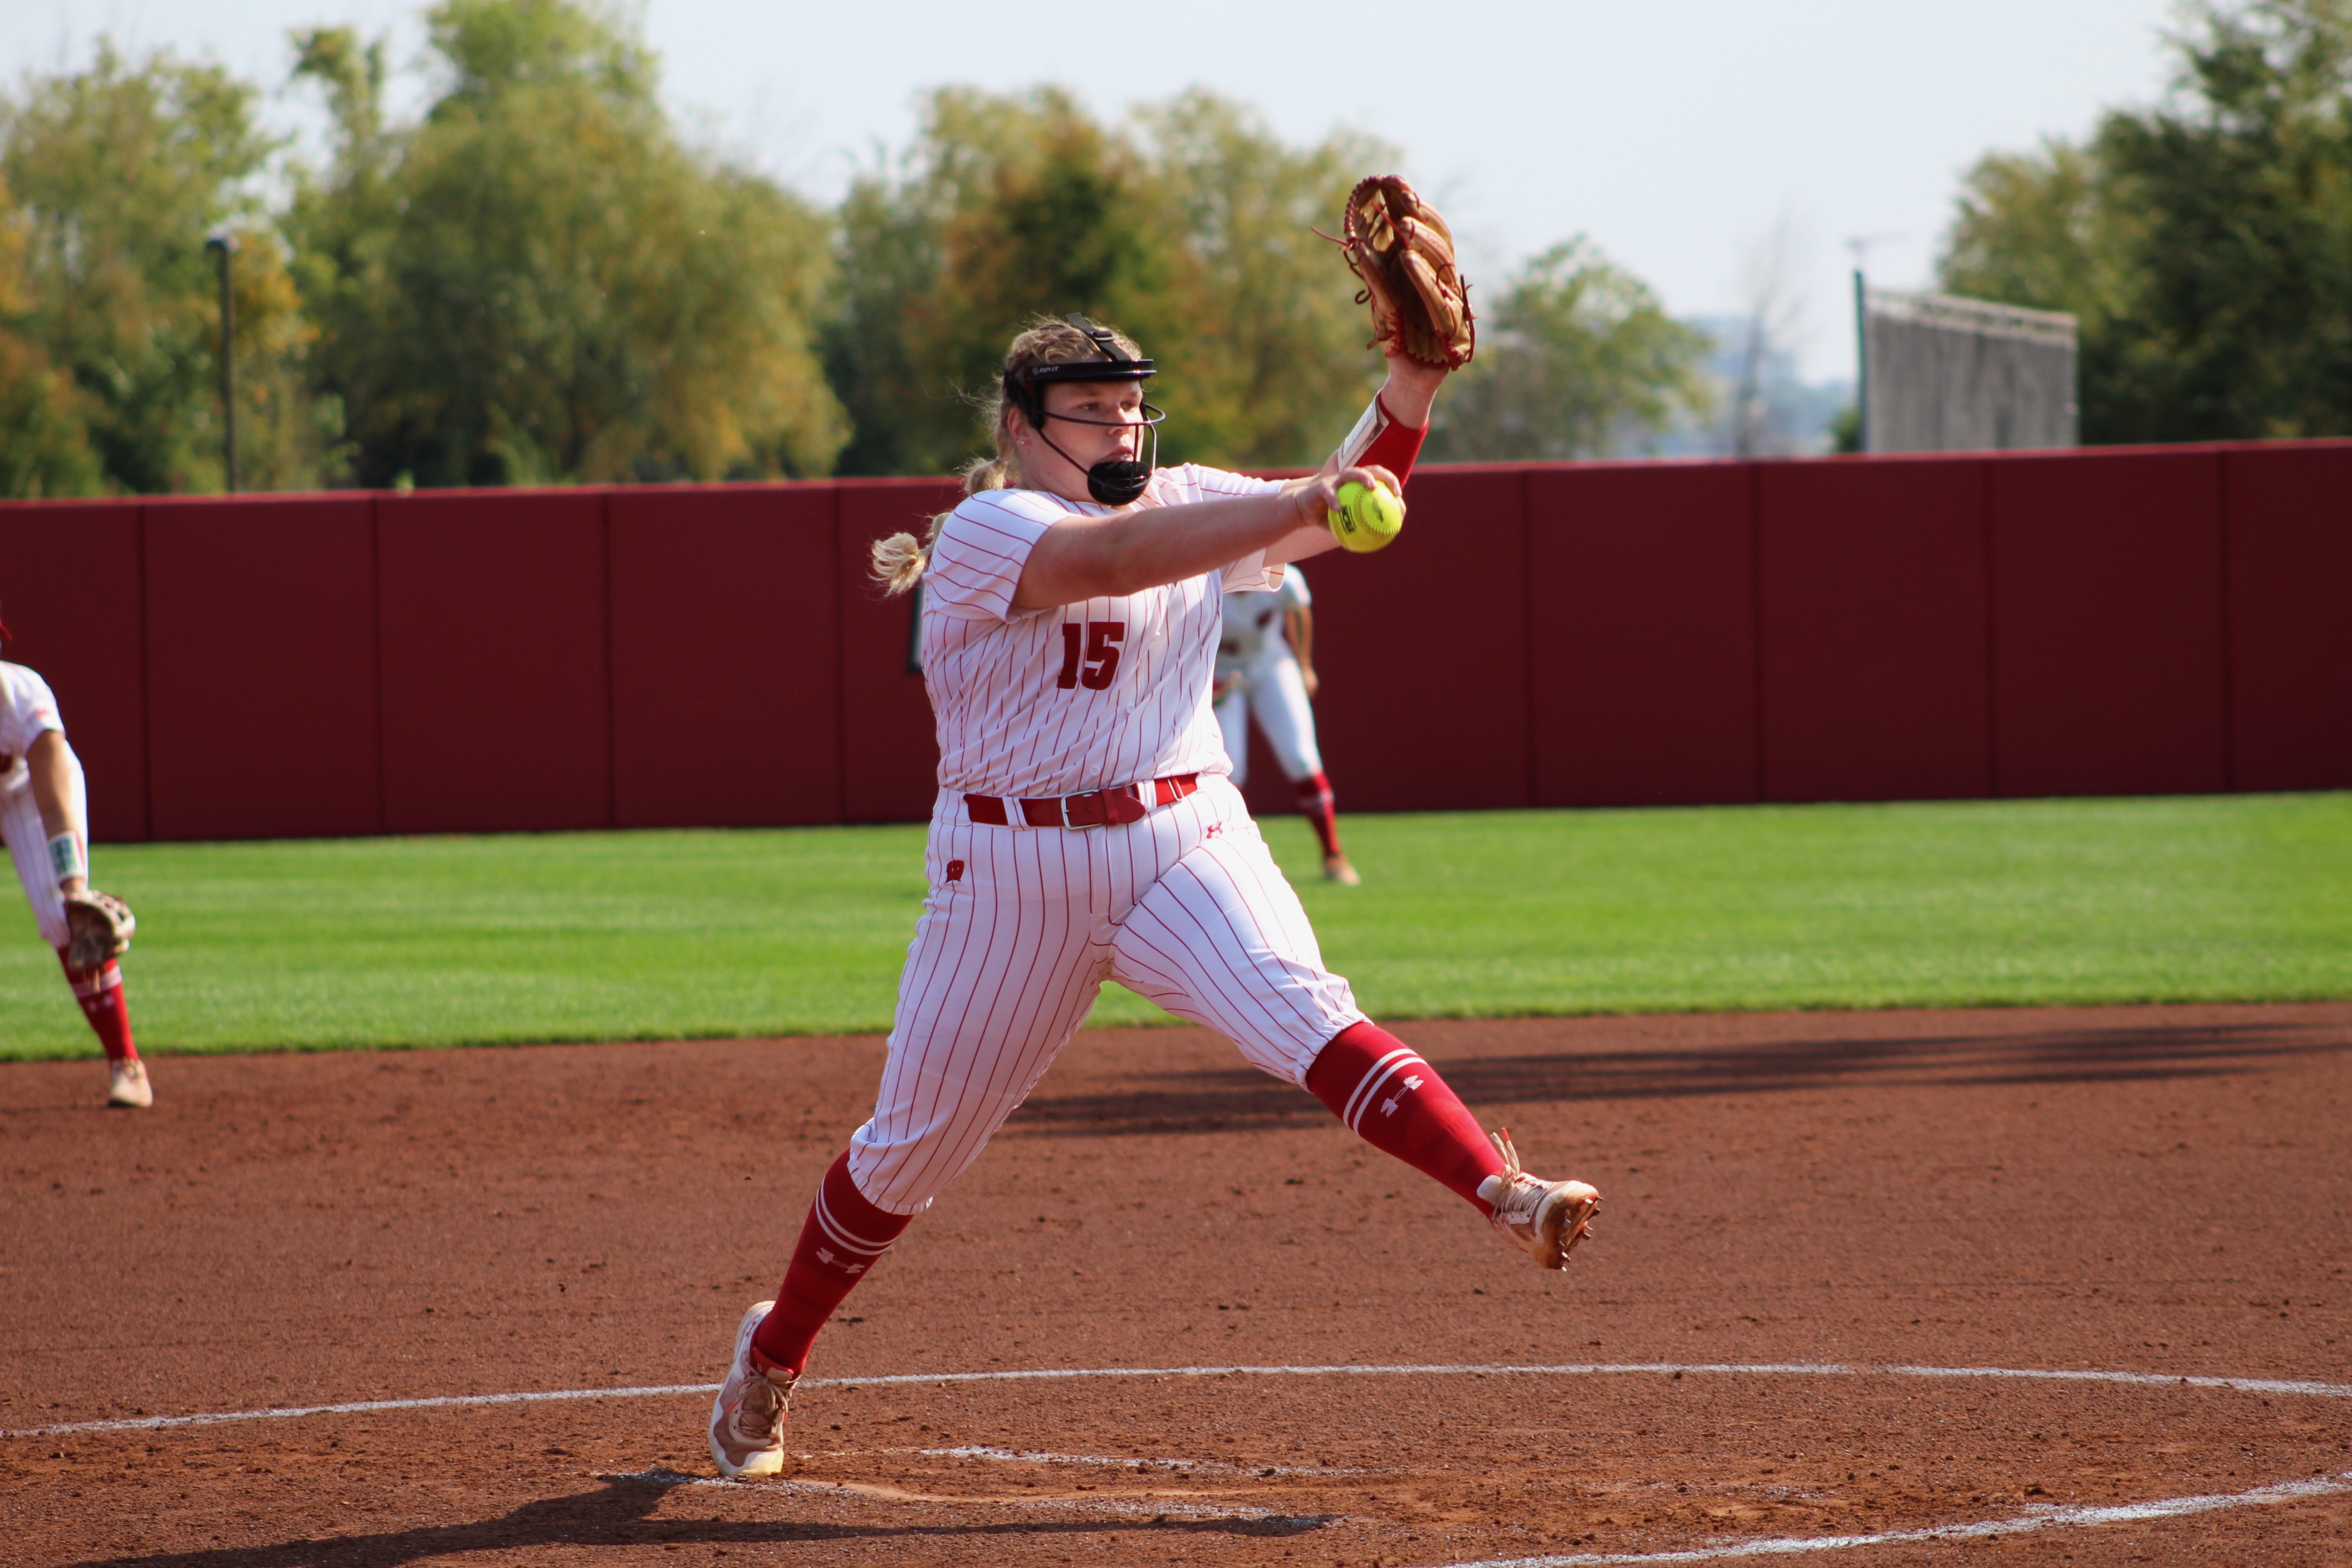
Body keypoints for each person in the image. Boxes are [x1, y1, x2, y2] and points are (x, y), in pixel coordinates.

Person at [706, 314, 1601, 1480]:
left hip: (1181, 833)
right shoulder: (991, 526)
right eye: (1089, 404)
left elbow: (1344, 506)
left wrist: (1408, 386)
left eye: (1130, 401)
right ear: (1023, 428)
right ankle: (772, 1353)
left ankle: (1502, 1188)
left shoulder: (1190, 492)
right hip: (1009, 872)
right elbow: (1113, 564)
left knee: (1304, 1006)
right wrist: (1297, 500)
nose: (1120, 421)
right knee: (905, 1156)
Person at [0, 638, 150, 1108]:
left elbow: (53, 796)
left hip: (24, 789)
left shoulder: (23, 696)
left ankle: (126, 1064)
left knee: (66, 917)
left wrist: (73, 887)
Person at [1214, 564, 1360, 884]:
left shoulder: (1282, 578)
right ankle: (1229, 863)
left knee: (1301, 758)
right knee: (1229, 771)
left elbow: (1298, 608)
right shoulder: (1202, 579)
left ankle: (1333, 854)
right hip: (1220, 672)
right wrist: (1200, 678)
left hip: (1269, 664)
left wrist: (1305, 664)